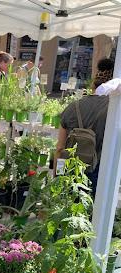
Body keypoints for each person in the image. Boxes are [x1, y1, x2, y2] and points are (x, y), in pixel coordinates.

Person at [55, 64, 113, 196]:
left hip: (71, 170)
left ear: (93, 85)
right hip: (99, 173)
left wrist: (57, 177)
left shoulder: (72, 107)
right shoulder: (113, 111)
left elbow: (60, 148)